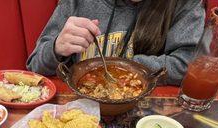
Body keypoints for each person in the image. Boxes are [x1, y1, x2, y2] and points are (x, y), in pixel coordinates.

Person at [27, 0, 205, 85]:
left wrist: (129, 68)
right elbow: (35, 65)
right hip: (79, 106)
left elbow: (188, 67)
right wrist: (57, 48)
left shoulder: (185, 4)